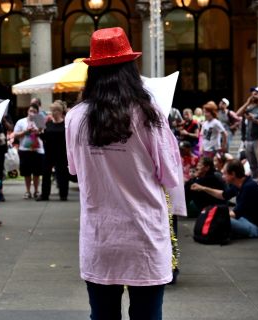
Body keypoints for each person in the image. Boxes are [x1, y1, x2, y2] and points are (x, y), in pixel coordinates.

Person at [65, 27, 183, 320]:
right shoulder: (148, 113)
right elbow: (170, 174)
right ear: (131, 68)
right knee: (148, 315)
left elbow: (74, 170)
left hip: (100, 235)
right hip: (144, 233)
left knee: (102, 315)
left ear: (92, 71)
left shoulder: (75, 117)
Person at [191, 160, 258, 238]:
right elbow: (223, 195)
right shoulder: (239, 184)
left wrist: (211, 215)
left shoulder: (249, 187)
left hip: (256, 227)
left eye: (225, 173)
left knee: (220, 220)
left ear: (233, 174)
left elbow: (235, 213)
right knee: (218, 217)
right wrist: (203, 188)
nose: (222, 176)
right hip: (244, 219)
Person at [37, 100, 70, 201]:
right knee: (46, 174)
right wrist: (40, 132)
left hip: (61, 153)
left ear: (60, 111)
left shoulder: (65, 124)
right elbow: (44, 137)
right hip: (49, 152)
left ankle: (63, 194)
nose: (52, 113)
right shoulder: (48, 124)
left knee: (62, 174)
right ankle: (44, 195)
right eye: (51, 111)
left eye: (54, 111)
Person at [13, 103, 45, 199]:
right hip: (25, 150)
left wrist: (38, 131)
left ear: (37, 113)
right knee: (26, 173)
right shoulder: (21, 122)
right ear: (28, 111)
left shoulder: (40, 120)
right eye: (30, 111)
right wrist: (25, 131)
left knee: (37, 173)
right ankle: (27, 191)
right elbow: (15, 135)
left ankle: (36, 191)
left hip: (37, 150)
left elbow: (44, 133)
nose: (32, 113)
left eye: (34, 112)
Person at [235, 86, 258, 181]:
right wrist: (247, 102)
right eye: (252, 94)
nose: (253, 96)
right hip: (248, 139)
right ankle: (255, 182)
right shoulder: (250, 107)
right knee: (252, 164)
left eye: (256, 94)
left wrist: (254, 120)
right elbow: (237, 114)